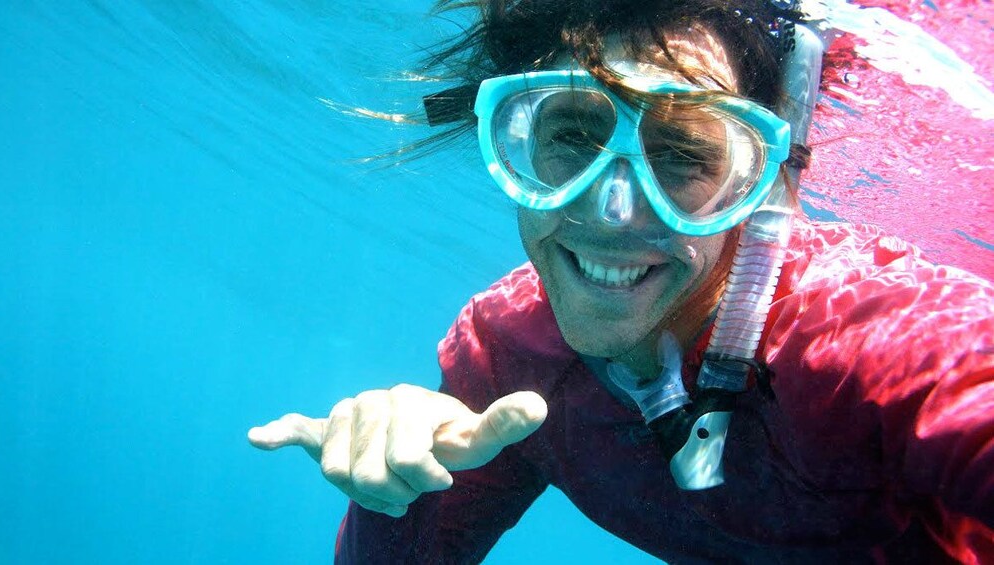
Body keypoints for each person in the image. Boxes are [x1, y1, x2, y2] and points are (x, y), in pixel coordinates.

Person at [248, 0, 994, 562]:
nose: (614, 209)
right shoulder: (506, 356)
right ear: (513, 143)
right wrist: (394, 487)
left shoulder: (860, 329)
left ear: (762, 184)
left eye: (684, 153)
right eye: (571, 133)